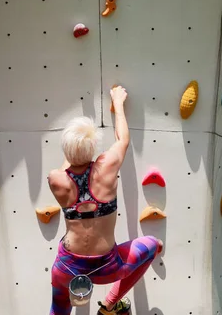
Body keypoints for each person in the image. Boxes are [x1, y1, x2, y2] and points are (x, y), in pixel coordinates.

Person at [47, 86, 163, 315]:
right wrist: (118, 102)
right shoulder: (107, 167)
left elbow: (67, 168)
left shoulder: (56, 180)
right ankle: (109, 305)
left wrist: (72, 149)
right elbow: (123, 139)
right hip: (107, 267)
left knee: (58, 308)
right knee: (154, 245)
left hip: (67, 268)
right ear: (92, 148)